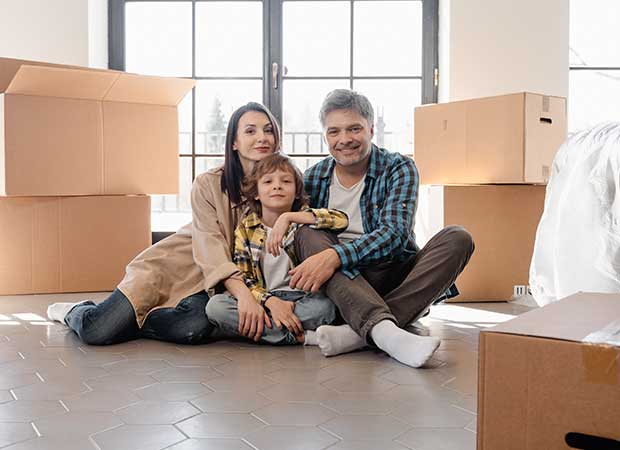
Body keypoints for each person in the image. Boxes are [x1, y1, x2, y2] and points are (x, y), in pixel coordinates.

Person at [46, 102, 283, 345]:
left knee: (192, 328)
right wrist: (246, 297)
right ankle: (76, 311)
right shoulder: (208, 184)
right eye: (250, 131)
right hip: (171, 269)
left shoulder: (282, 185)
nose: (262, 138)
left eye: (268, 130)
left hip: (212, 286)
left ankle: (133, 323)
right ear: (234, 142)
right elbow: (211, 249)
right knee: (97, 331)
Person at [289, 89, 475, 368]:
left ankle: (359, 334)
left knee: (458, 237)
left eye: (354, 128)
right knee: (306, 232)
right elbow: (303, 242)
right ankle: (387, 332)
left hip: (391, 271)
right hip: (345, 284)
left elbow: (395, 234)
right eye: (334, 132)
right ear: (325, 136)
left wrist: (336, 256)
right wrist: (328, 256)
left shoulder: (398, 167)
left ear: (372, 129)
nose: (344, 140)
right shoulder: (314, 176)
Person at [206, 153, 348, 345]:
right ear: (256, 192)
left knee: (326, 307)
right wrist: (270, 302)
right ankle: (299, 336)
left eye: (286, 181)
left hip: (300, 299)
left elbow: (341, 220)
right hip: (263, 300)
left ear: (297, 191)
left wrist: (289, 217)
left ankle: (263, 332)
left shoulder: (303, 221)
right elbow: (246, 278)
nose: (277, 186)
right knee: (216, 307)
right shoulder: (246, 229)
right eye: (268, 182)